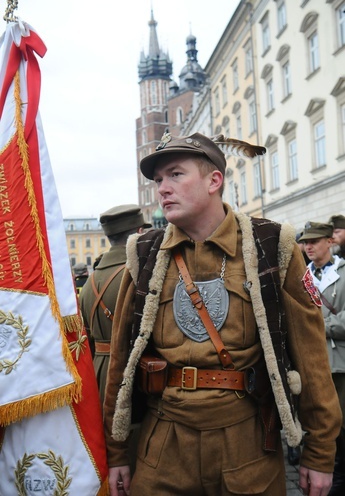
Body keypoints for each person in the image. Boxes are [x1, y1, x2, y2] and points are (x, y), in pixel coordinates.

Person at [103, 132, 341, 496]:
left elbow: (312, 358)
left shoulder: (271, 246)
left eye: (176, 175)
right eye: (158, 180)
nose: (162, 188)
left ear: (214, 180)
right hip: (163, 450)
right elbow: (121, 359)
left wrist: (320, 452)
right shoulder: (145, 253)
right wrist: (116, 451)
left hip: (247, 447)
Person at [79, 204, 151, 406]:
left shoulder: (88, 284)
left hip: (97, 374)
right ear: (139, 233)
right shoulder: (139, 277)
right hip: (131, 375)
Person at [298, 221, 345, 495]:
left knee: (339, 424)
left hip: (338, 365)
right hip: (308, 364)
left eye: (315, 241)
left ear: (330, 241)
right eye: (306, 242)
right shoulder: (301, 275)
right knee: (313, 423)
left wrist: (315, 326)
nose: (308, 246)